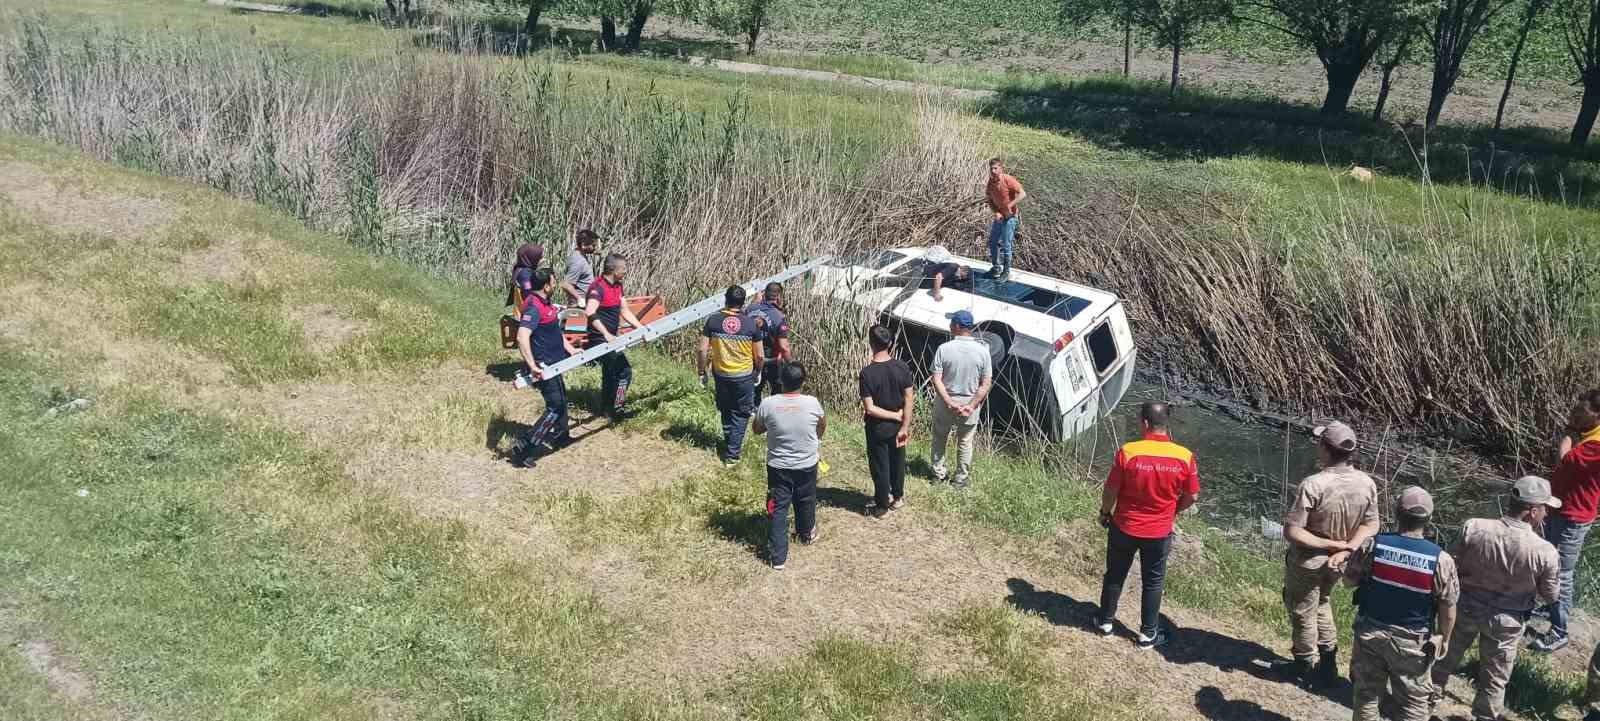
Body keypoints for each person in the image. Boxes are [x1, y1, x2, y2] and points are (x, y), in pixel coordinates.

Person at [1429, 476, 1560, 721]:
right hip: (1507, 620)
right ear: (1532, 511)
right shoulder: (1545, 551)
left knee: (1443, 657)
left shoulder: (1474, 527)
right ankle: (1485, 717)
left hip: (1464, 606)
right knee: (1495, 677)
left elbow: (1449, 563)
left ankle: (1425, 701)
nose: (1546, 515)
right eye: (1544, 508)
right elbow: (1550, 594)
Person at [1276, 421, 1380, 687]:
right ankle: (1328, 661)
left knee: (1301, 610)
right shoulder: (1366, 483)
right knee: (1321, 603)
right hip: (1339, 563)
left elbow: (1293, 532)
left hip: (1309, 561)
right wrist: (1349, 548)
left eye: (1319, 443)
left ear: (1326, 449)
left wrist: (1331, 545)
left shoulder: (1313, 484)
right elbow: (1372, 524)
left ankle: (1303, 663)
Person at [1341, 487, 1459, 721]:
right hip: (1414, 642)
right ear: (1429, 520)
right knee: (1413, 705)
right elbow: (1448, 607)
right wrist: (1444, 638)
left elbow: (1348, 581)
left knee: (1367, 696)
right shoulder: (1441, 559)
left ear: (1397, 513)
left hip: (1371, 632)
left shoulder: (1373, 545)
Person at [1095, 401, 1199, 651]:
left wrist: (1105, 512)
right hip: (1159, 531)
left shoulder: (1128, 452)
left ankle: (1105, 622)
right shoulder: (1185, 456)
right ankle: (1147, 634)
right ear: (1166, 424)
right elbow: (1192, 495)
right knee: (1153, 581)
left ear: (1144, 423)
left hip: (1125, 526)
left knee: (1115, 574)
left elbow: (1111, 489)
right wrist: (1173, 511)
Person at [1530, 389, 1600, 653]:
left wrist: (1570, 431)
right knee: (1545, 560)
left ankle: (1559, 631)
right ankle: (1550, 607)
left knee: (1563, 573)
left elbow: (1564, 459)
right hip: (1559, 507)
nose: (1578, 416)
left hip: (1576, 514)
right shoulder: (1588, 434)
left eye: (1584, 413)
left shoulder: (1596, 443)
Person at [752, 363, 825, 571]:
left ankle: (778, 557)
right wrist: (814, 438)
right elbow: (822, 424)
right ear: (803, 381)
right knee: (806, 498)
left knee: (778, 507)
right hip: (806, 463)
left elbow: (757, 429)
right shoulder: (812, 403)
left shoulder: (768, 403)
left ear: (781, 381)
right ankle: (806, 534)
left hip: (778, 465)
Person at [513, 269, 578, 469]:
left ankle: (561, 436)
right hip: (543, 366)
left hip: (556, 363)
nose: (556, 284)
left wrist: (571, 349)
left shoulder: (546, 303)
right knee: (555, 407)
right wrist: (533, 366)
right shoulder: (533, 307)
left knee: (562, 398)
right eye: (553, 282)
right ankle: (524, 448)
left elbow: (555, 331)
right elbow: (521, 337)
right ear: (546, 286)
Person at [699, 285, 765, 467]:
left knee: (726, 409)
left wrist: (702, 371)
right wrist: (758, 371)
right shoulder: (751, 324)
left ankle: (729, 443)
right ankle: (732, 455)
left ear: (725, 300)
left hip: (721, 374)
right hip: (743, 376)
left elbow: (702, 349)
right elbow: (759, 355)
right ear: (743, 303)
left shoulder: (713, 321)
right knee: (741, 413)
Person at [929, 310, 992, 489]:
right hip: (969, 404)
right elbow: (986, 384)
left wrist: (949, 402)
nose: (949, 327)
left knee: (940, 437)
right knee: (965, 442)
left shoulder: (944, 349)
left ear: (956, 326)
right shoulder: (983, 352)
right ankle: (960, 478)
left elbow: (936, 379)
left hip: (945, 401)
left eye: (951, 324)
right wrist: (971, 406)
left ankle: (938, 474)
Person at [859, 324, 913, 518]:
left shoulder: (867, 373)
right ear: (889, 343)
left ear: (871, 344)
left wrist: (893, 415)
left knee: (880, 466)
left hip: (877, 428)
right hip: (898, 427)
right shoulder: (902, 367)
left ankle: (881, 505)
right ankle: (897, 497)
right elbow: (909, 398)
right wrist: (904, 424)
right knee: (898, 462)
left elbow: (870, 408)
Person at [585, 253, 646, 421]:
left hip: (612, 337)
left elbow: (624, 310)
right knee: (624, 372)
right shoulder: (597, 287)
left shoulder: (618, 285)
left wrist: (640, 328)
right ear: (613, 269)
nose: (626, 271)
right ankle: (617, 408)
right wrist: (606, 334)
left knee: (610, 372)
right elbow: (590, 311)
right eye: (623, 269)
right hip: (599, 338)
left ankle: (606, 408)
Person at [744, 282, 792, 403]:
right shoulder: (778, 317)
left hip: (752, 357)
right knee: (777, 390)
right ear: (778, 297)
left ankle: (754, 412)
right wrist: (791, 363)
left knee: (754, 389)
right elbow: (784, 346)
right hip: (772, 360)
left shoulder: (750, 309)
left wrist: (756, 300)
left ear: (764, 294)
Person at [984, 158, 1025, 280]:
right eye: (991, 168)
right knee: (992, 242)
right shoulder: (991, 182)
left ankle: (1006, 272)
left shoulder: (1007, 179)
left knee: (1006, 245)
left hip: (1010, 217)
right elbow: (989, 199)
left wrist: (1009, 206)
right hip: (999, 217)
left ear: (1001, 168)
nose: (993, 170)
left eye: (996, 168)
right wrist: (996, 211)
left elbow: (1023, 194)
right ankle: (996, 268)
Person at [560, 229, 600, 306]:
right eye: (593, 245)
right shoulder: (577, 261)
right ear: (583, 244)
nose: (595, 248)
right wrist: (579, 299)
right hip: (580, 306)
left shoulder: (582, 256)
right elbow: (566, 285)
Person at [507, 243, 544, 309]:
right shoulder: (524, 275)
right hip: (530, 308)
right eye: (539, 258)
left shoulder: (521, 269)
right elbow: (528, 292)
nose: (541, 259)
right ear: (532, 258)